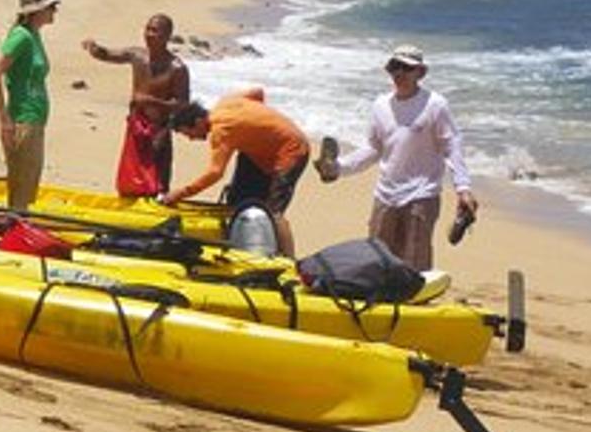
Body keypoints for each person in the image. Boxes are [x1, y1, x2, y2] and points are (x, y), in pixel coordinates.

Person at [316, 44, 477, 270]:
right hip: (385, 195)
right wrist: (338, 168)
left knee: (414, 265)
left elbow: (452, 145)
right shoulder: (381, 105)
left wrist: (463, 188)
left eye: (406, 68)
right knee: (376, 261)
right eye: (394, 67)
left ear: (420, 73)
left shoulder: (435, 105)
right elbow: (373, 148)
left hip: (421, 195)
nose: (399, 74)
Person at [163, 88, 312, 257]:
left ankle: (289, 260)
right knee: (236, 196)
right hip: (261, 153)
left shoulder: (221, 132)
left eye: (189, 133)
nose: (191, 138)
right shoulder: (225, 103)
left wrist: (181, 193)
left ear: (198, 122)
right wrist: (258, 125)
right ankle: (240, 235)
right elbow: (258, 93)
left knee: (274, 212)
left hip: (292, 151)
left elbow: (215, 173)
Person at [82, 12, 191, 198]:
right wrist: (94, 48)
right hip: (136, 127)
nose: (148, 34)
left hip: (159, 131)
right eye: (147, 29)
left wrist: (151, 101)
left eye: (155, 31)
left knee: (158, 183)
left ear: (167, 36)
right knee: (130, 180)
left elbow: (182, 104)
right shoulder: (137, 55)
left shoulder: (177, 68)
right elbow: (109, 54)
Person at [0, 0, 60, 210]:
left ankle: (18, 223)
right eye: (50, 8)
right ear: (36, 11)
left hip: (35, 118)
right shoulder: (22, 36)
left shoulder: (34, 36)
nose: (54, 12)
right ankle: (15, 228)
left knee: (28, 183)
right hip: (22, 118)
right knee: (22, 184)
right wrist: (3, 117)